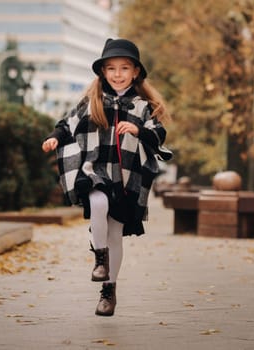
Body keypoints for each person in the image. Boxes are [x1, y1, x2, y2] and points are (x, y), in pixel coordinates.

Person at [42, 38, 172, 316]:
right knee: (98, 205)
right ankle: (100, 260)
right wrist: (54, 138)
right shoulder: (92, 103)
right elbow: (67, 125)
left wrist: (138, 131)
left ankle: (109, 291)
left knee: (116, 234)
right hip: (95, 170)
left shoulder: (142, 106)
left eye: (124, 68)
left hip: (126, 176)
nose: (117, 74)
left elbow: (158, 134)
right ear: (102, 72)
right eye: (111, 68)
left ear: (135, 72)